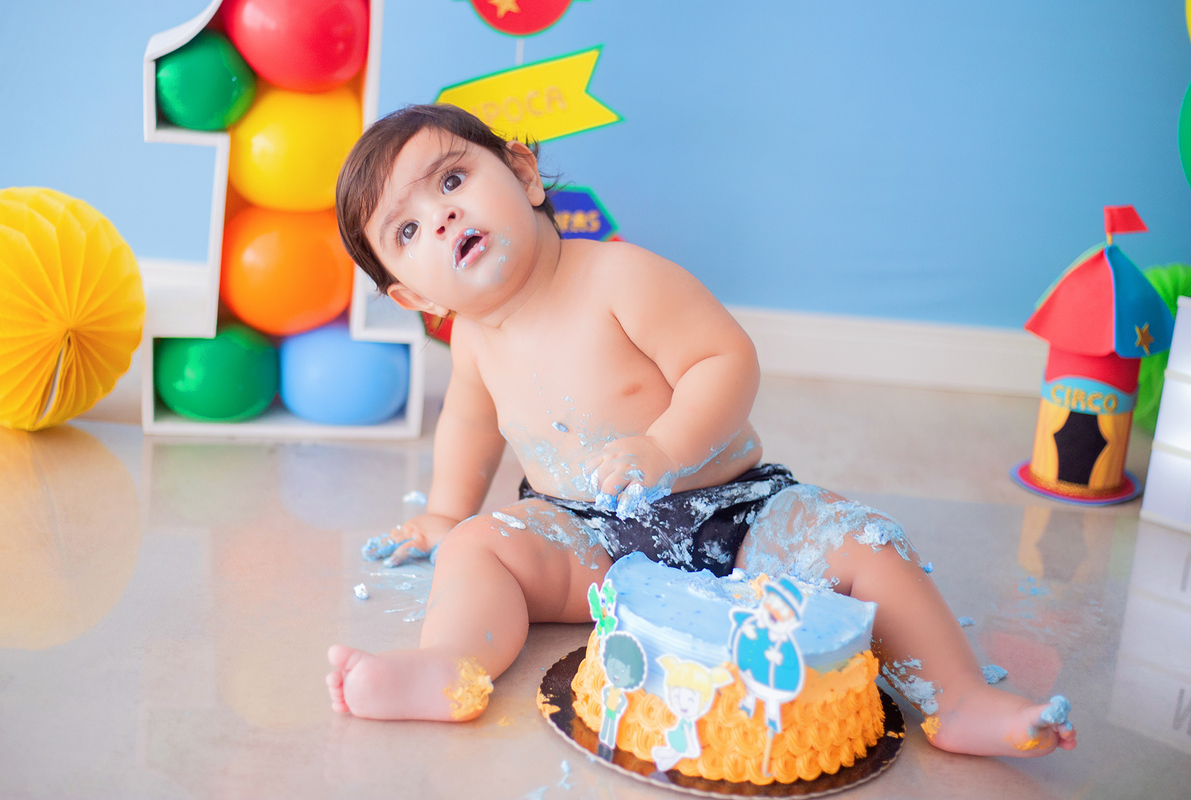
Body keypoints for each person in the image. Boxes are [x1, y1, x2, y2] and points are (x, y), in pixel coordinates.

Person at [325, 104, 1076, 757]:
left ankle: (959, 697)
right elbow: (469, 424)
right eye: (409, 229)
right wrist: (445, 514)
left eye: (453, 180)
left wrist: (666, 447)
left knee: (866, 544)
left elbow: (725, 359)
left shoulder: (617, 277)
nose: (443, 217)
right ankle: (449, 668)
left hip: (730, 512)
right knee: (476, 549)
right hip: (588, 538)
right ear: (415, 295)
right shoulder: (472, 341)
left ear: (522, 173)